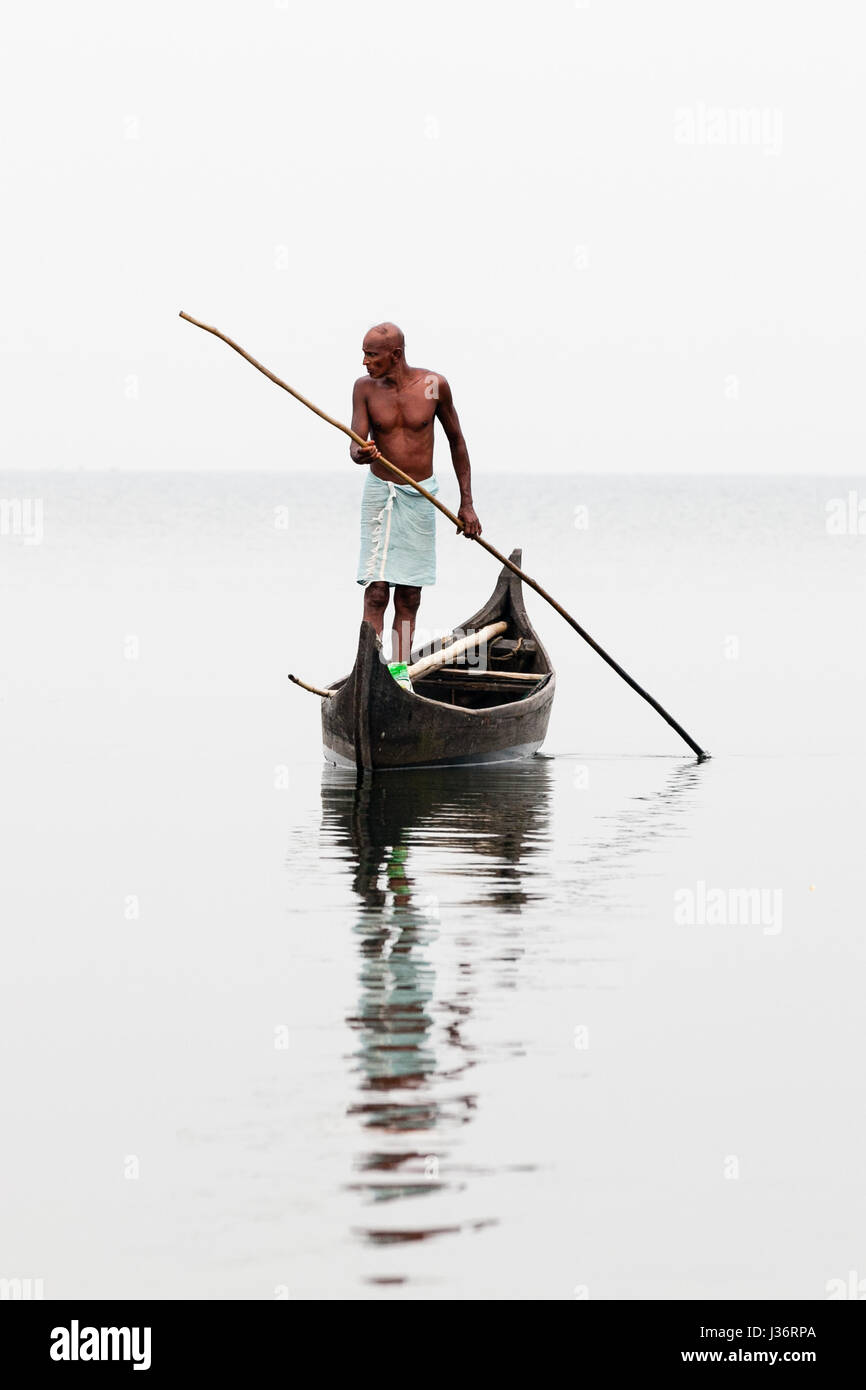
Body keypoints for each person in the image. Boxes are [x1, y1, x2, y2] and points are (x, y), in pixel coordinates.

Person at [350, 322, 482, 665]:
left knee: (409, 593)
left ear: (395, 355)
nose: (364, 362)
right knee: (377, 591)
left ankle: (399, 669)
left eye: (371, 355)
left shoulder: (433, 386)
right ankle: (370, 666)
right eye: (364, 354)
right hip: (380, 493)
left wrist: (466, 503)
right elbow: (355, 444)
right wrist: (361, 452)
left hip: (421, 495)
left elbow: (457, 442)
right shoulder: (364, 389)